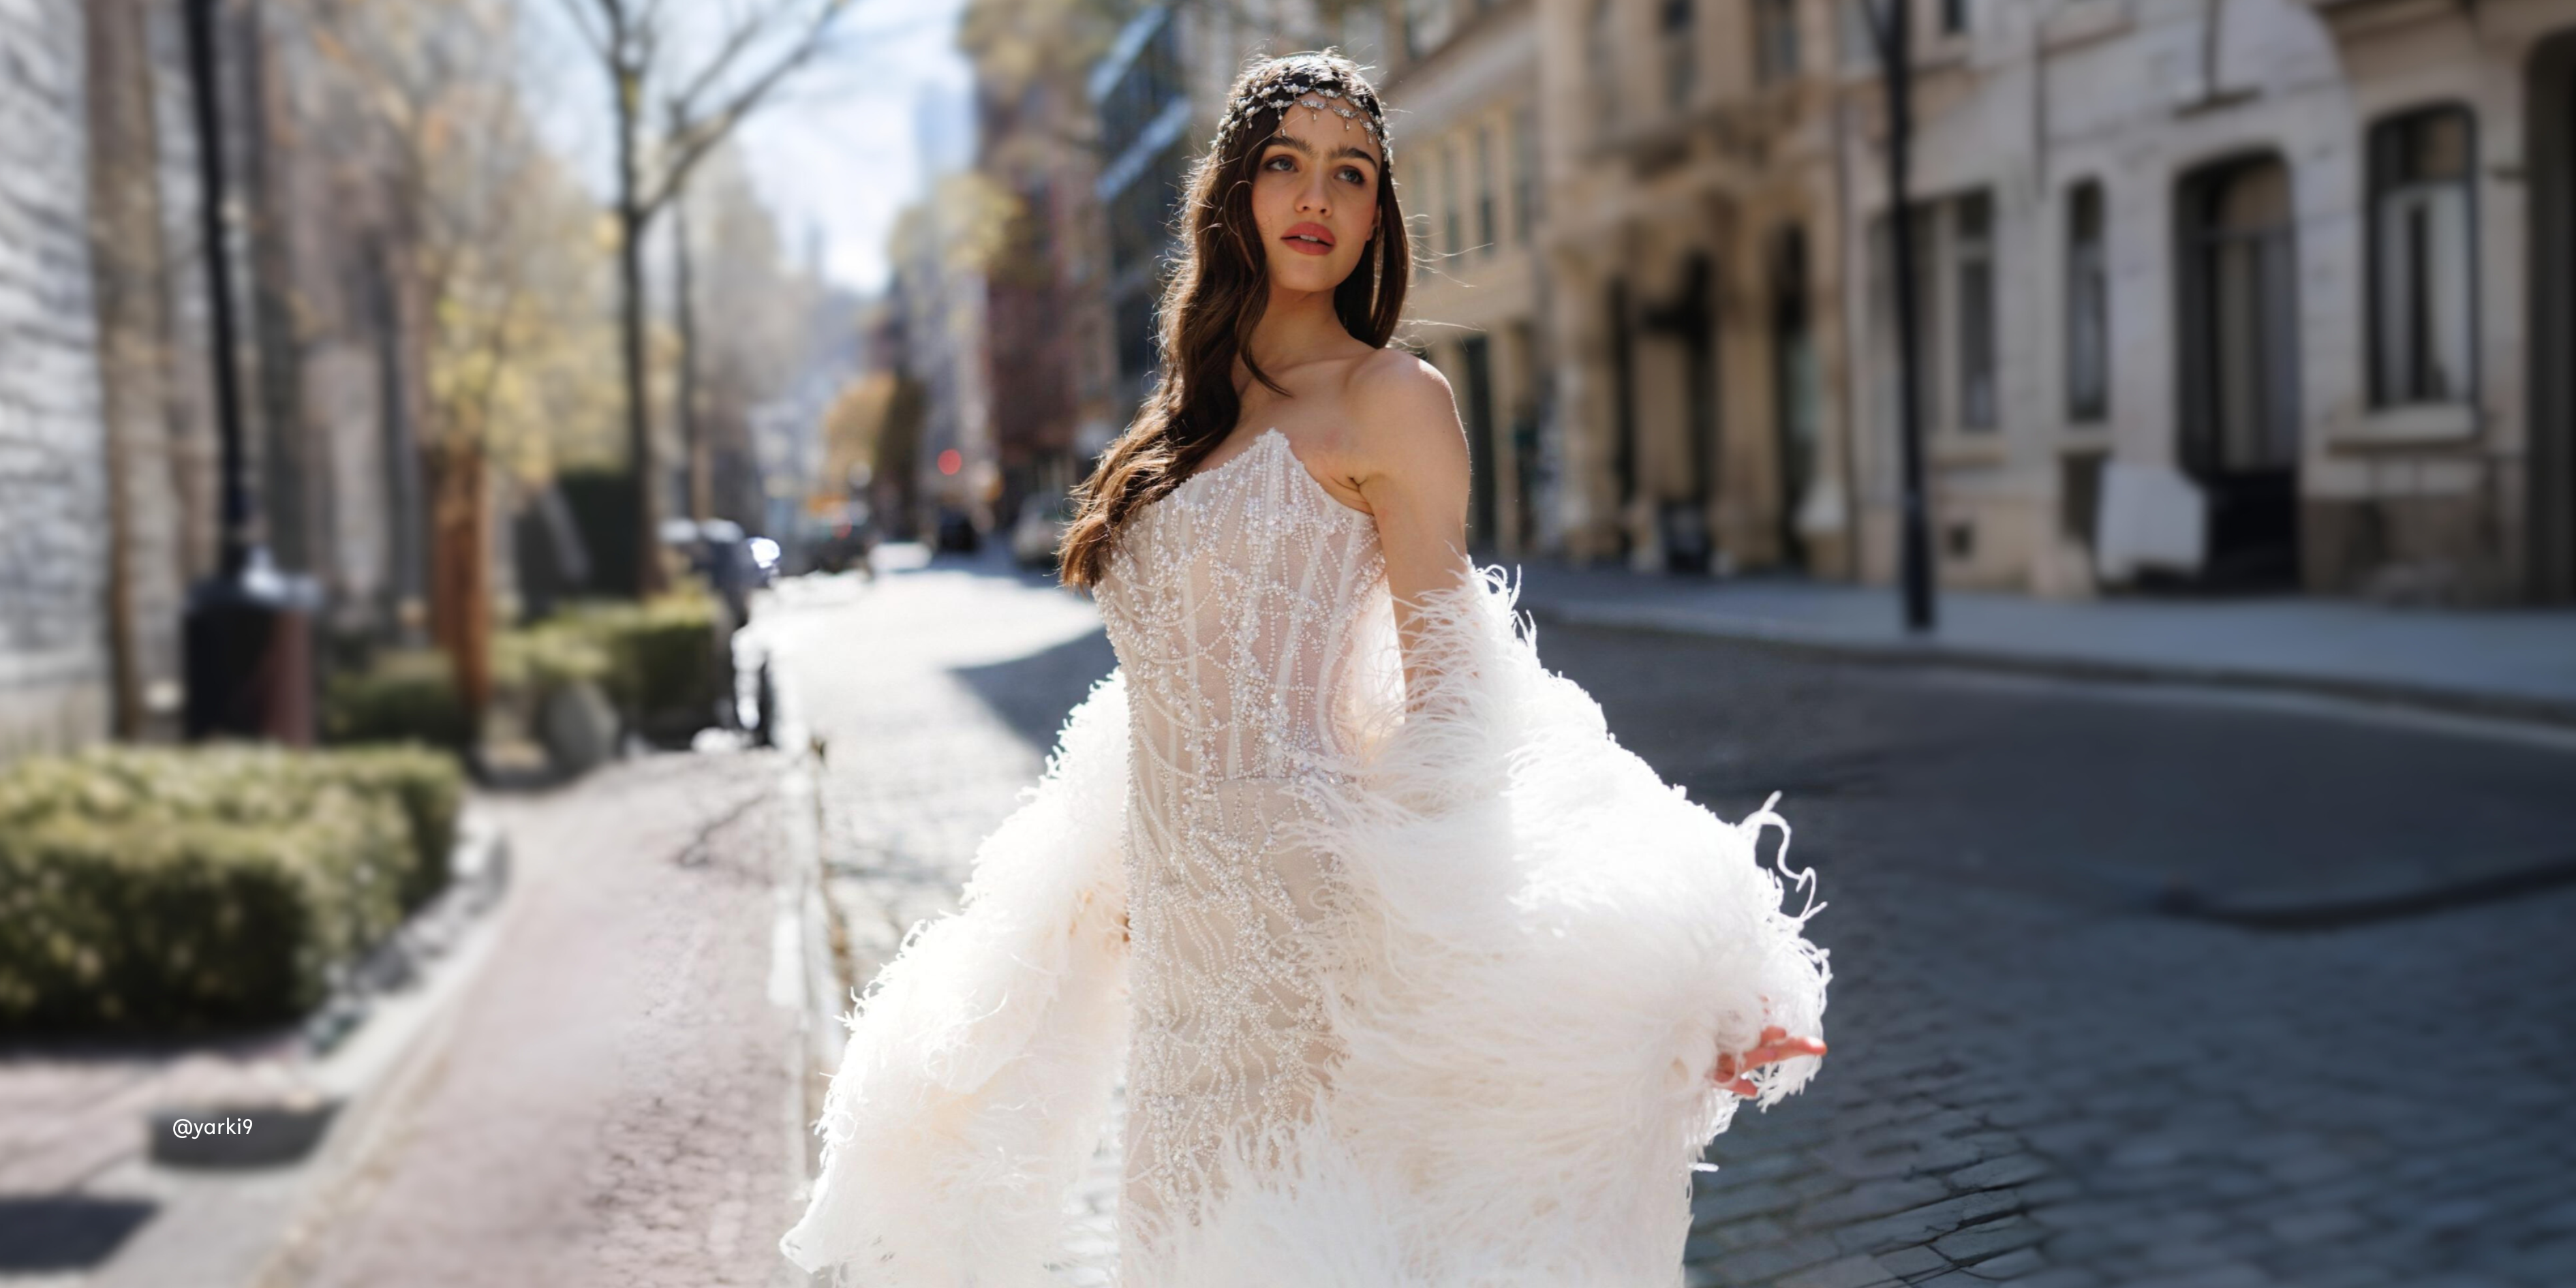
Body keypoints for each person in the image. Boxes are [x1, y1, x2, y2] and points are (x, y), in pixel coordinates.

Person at [779, 50, 1831, 1287]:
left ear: (1379, 209)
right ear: (1233, 191)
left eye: (1352, 172)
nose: (1316, 195)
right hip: (1184, 970)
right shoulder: (1175, 428)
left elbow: (1456, 689)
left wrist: (1635, 964)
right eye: (1285, 163)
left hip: (1315, 937)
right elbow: (1162, 694)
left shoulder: (1394, 401)